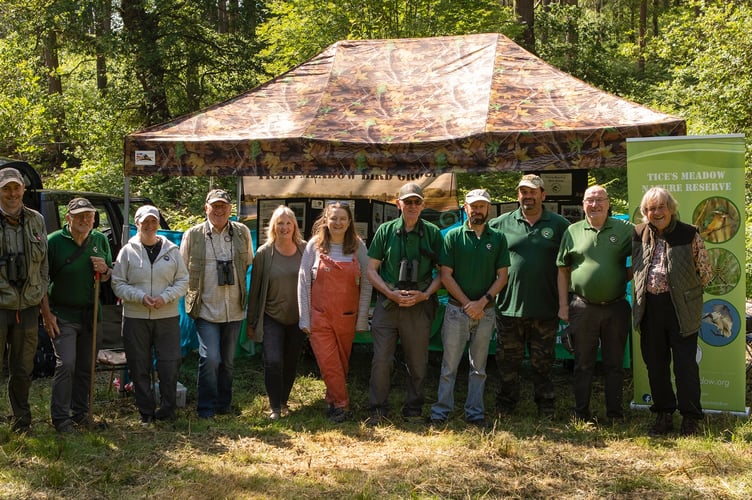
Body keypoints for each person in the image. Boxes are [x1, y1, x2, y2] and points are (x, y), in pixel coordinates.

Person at [488, 174, 570, 418]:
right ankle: (506, 403)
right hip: (509, 306)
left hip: (545, 306)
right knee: (507, 362)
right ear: (518, 196)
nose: (528, 196)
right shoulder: (500, 224)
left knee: (543, 363)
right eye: (524, 192)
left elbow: (569, 264)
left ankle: (545, 405)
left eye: (533, 192)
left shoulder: (559, 224)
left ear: (543, 195)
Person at [632, 187, 712, 436]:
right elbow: (635, 267)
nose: (656, 212)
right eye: (650, 208)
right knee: (655, 365)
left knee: (686, 366)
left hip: (681, 309)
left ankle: (690, 418)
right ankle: (664, 415)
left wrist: (685, 292)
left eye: (661, 207)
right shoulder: (638, 234)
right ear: (645, 212)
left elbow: (705, 272)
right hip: (650, 308)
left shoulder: (689, 233)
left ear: (671, 208)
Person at [430, 189, 509, 427]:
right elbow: (445, 275)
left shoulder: (498, 238)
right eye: (473, 206)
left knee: (479, 367)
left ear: (488, 209)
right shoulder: (453, 236)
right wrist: (467, 304)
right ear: (465, 209)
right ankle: (441, 411)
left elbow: (503, 276)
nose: (477, 210)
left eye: (482, 206)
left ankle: (475, 412)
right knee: (449, 365)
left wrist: (482, 302)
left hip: (485, 312)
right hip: (457, 310)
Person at [366, 183, 443, 426]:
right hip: (388, 305)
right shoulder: (386, 231)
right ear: (398, 203)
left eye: (416, 202)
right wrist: (389, 293)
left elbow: (444, 273)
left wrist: (426, 294)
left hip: (419, 305)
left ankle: (414, 408)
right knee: (381, 360)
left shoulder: (432, 232)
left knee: (418, 361)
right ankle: (378, 408)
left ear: (423, 205)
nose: (411, 206)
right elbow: (370, 270)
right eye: (407, 202)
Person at [556, 185, 633, 423]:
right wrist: (563, 305)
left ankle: (615, 414)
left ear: (609, 203)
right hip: (582, 306)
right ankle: (581, 413)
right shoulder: (572, 230)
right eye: (590, 200)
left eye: (600, 199)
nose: (595, 204)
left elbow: (643, 257)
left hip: (616, 307)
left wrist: (621, 276)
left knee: (614, 363)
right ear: (583, 204)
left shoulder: (625, 229)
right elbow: (562, 270)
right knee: (583, 363)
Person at [112, 205, 189, 425]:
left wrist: (165, 297)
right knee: (139, 364)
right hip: (136, 317)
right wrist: (139, 296)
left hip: (166, 316)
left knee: (169, 363)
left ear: (158, 223)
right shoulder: (127, 251)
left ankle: (167, 408)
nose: (149, 225)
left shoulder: (172, 250)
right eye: (145, 221)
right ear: (137, 224)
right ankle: (146, 411)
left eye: (153, 221)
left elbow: (183, 280)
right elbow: (118, 283)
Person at [180, 189, 253, 419]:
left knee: (228, 362)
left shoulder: (242, 232)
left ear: (230, 209)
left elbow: (248, 261)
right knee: (211, 358)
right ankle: (206, 408)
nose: (219, 210)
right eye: (215, 206)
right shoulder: (193, 235)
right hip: (206, 308)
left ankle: (224, 405)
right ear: (206, 208)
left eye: (223, 206)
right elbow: (182, 268)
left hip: (234, 308)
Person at [41, 197, 112, 433]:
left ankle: (81, 413)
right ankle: (61, 418)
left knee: (86, 366)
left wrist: (104, 270)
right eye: (80, 215)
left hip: (91, 314)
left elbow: (108, 274)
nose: (85, 219)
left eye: (89, 215)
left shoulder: (100, 239)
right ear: (68, 218)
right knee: (67, 363)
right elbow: (41, 281)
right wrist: (47, 314)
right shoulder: (53, 242)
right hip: (62, 314)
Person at [298, 201, 372, 423]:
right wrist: (304, 317)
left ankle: (332, 400)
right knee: (329, 362)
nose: (338, 222)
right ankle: (342, 405)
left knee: (340, 364)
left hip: (347, 317)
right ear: (326, 220)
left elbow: (368, 282)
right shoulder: (314, 245)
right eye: (333, 218)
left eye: (342, 218)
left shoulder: (359, 247)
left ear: (349, 221)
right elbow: (303, 281)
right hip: (319, 316)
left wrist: (362, 318)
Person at [247, 206, 306, 421]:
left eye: (288, 222)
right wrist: (252, 321)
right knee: (273, 361)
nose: (284, 227)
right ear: (273, 226)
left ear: (294, 226)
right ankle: (274, 407)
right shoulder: (264, 253)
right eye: (280, 223)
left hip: (298, 318)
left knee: (290, 362)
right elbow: (254, 289)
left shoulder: (304, 249)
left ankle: (283, 401)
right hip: (272, 316)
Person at [0, 168, 48, 433]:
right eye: (6, 188)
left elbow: (44, 265)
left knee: (23, 369)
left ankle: (21, 422)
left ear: (23, 190)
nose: (12, 194)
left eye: (16, 188)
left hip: (27, 307)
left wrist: (41, 299)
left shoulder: (36, 220)